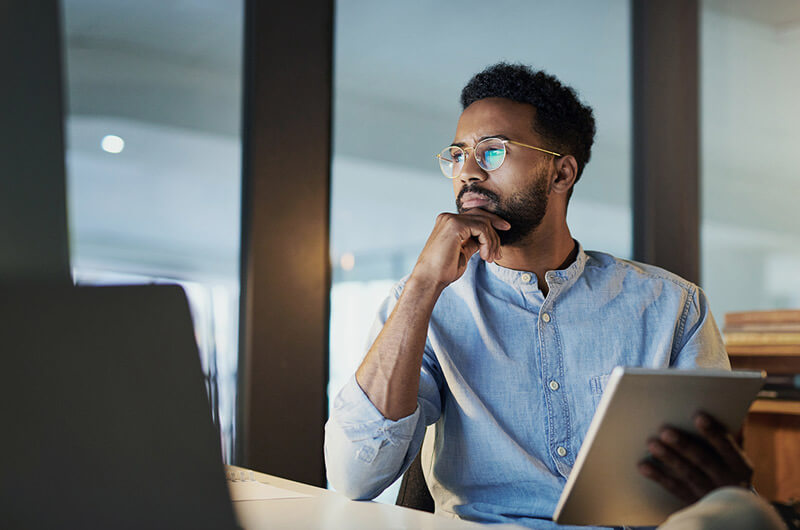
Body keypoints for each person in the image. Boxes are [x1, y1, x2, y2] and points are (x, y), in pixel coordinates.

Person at [324, 62, 733, 529]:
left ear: (561, 174)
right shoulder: (430, 299)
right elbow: (353, 476)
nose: (468, 172)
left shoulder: (672, 307)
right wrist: (421, 285)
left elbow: (713, 493)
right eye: (458, 155)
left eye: (493, 152)